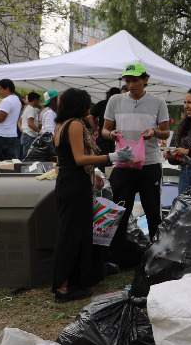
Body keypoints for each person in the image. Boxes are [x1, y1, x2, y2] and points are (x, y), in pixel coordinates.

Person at [51, 88, 134, 301]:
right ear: (80, 105)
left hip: (68, 181)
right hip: (75, 184)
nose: (90, 108)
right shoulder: (75, 124)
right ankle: (63, 287)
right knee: (72, 236)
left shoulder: (60, 125)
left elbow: (66, 159)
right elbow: (79, 158)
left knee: (71, 233)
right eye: (87, 103)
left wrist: (93, 172)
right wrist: (112, 157)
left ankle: (70, 283)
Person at [101, 63, 171, 248]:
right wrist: (111, 134)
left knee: (152, 212)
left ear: (145, 80)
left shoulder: (158, 102)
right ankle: (115, 254)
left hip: (150, 163)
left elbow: (166, 132)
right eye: (127, 81)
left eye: (135, 80)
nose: (130, 85)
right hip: (123, 164)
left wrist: (153, 132)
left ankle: (155, 253)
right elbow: (104, 130)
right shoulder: (115, 100)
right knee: (119, 211)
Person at [19, 92, 42, 157]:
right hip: (29, 136)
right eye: (38, 100)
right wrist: (40, 131)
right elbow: (30, 124)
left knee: (25, 155)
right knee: (27, 157)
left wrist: (23, 131)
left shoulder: (27, 108)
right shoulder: (31, 109)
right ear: (35, 100)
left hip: (26, 135)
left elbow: (19, 122)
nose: (39, 102)